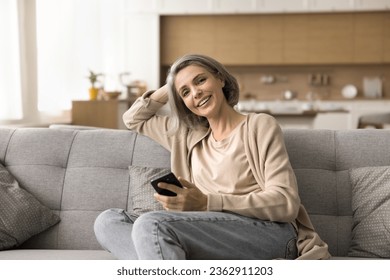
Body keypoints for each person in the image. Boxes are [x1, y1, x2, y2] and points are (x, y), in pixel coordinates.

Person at [94, 54, 330, 260]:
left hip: (267, 232)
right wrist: (173, 83)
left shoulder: (259, 125)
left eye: (201, 80)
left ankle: (170, 255)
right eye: (185, 92)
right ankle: (174, 258)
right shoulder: (186, 135)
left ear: (221, 78)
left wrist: (207, 202)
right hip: (201, 231)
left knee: (151, 224)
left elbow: (286, 204)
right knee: (108, 221)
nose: (196, 92)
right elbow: (133, 118)